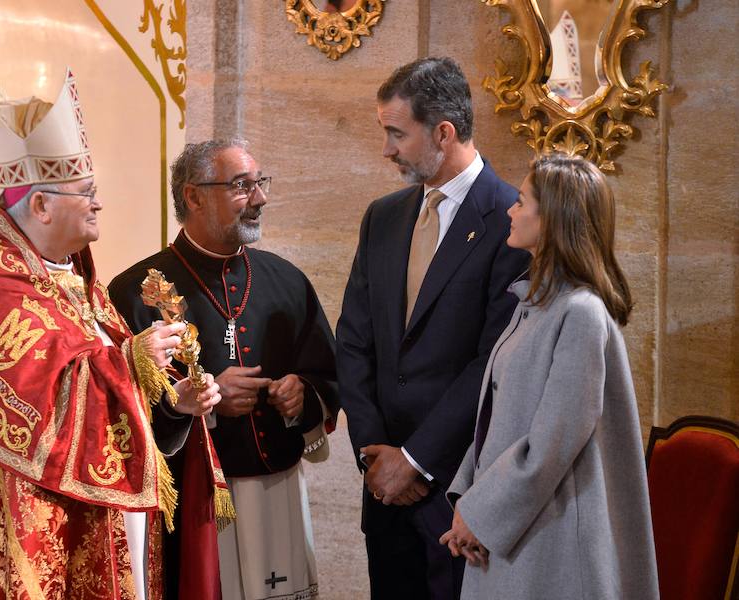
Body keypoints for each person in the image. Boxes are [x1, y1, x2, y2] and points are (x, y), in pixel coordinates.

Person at [0, 68, 222, 600]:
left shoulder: (75, 279)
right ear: (40, 204)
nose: (99, 203)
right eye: (86, 193)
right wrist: (130, 359)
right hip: (33, 517)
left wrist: (173, 405)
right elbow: (37, 396)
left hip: (101, 509)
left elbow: (110, 401)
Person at [109, 138, 339, 600]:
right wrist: (205, 405)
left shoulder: (286, 280)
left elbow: (328, 375)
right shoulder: (135, 291)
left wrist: (304, 394)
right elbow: (117, 415)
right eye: (241, 186)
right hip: (193, 503)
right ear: (193, 196)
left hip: (279, 490)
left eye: (260, 184)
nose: (260, 199)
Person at [335, 57, 530, 599]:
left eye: (397, 133)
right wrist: (375, 452)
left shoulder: (513, 218)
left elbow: (493, 361)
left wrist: (416, 461)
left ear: (443, 133)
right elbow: (353, 341)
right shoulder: (383, 215)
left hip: (458, 494)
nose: (387, 149)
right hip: (384, 489)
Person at [439, 153, 659, 599]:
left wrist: (480, 514)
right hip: (510, 527)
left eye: (521, 202)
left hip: (550, 542)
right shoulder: (533, 304)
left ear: (555, 218)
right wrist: (467, 500)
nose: (510, 211)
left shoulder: (580, 313)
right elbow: (494, 420)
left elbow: (553, 443)